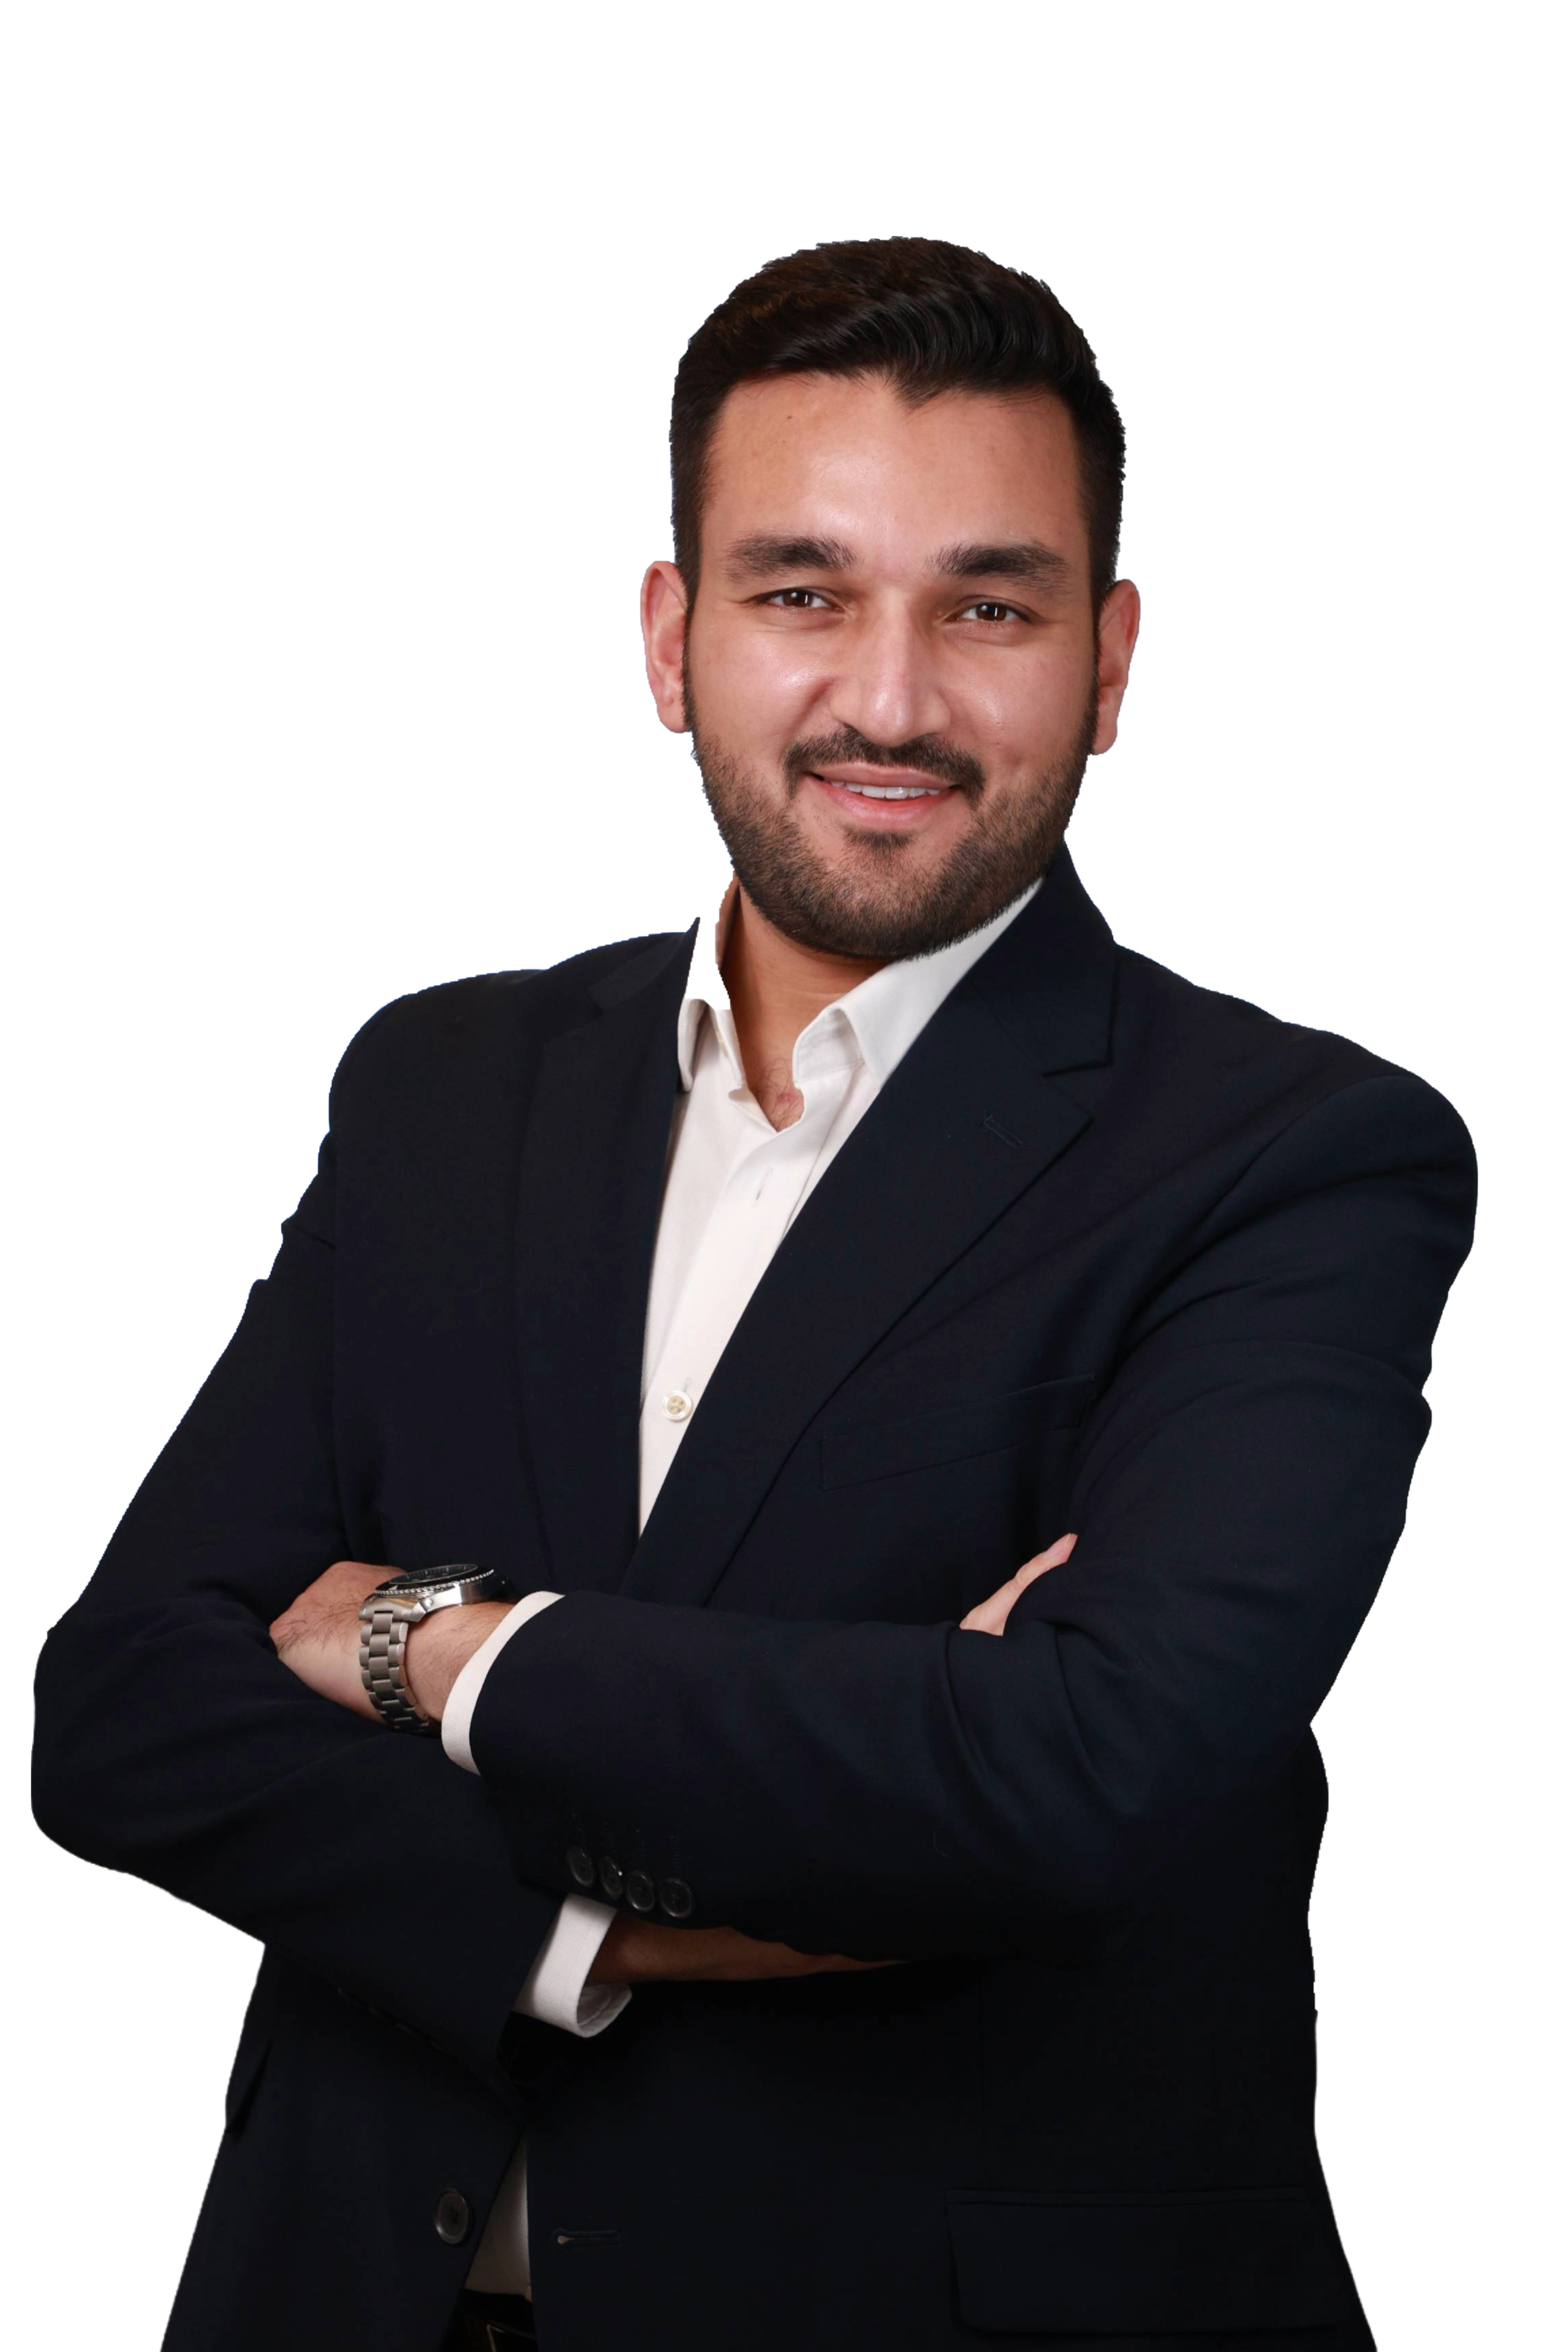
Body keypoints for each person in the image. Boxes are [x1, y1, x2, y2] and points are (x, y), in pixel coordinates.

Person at [32, 237, 1475, 2352]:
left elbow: (1074, 1778)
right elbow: (123, 1713)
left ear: (1111, 656)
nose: (890, 700)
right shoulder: (443, 1087)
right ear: (671, 634)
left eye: (989, 606)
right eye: (802, 592)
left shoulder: (1296, 1156)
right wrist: (610, 1936)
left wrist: (433, 1644)